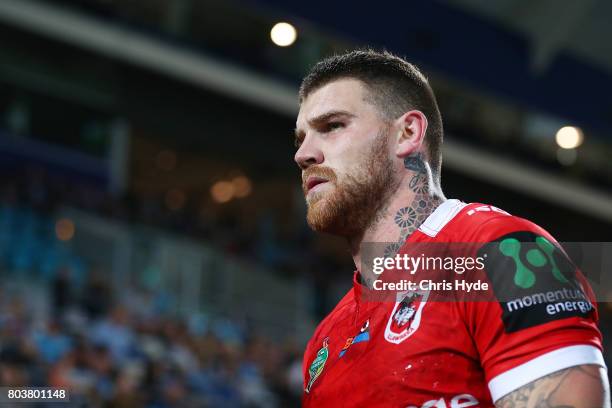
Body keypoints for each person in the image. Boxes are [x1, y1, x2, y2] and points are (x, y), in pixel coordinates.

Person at [294, 49, 609, 407]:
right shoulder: (325, 340)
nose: (303, 154)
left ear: (408, 133)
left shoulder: (504, 252)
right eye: (300, 138)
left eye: (332, 126)